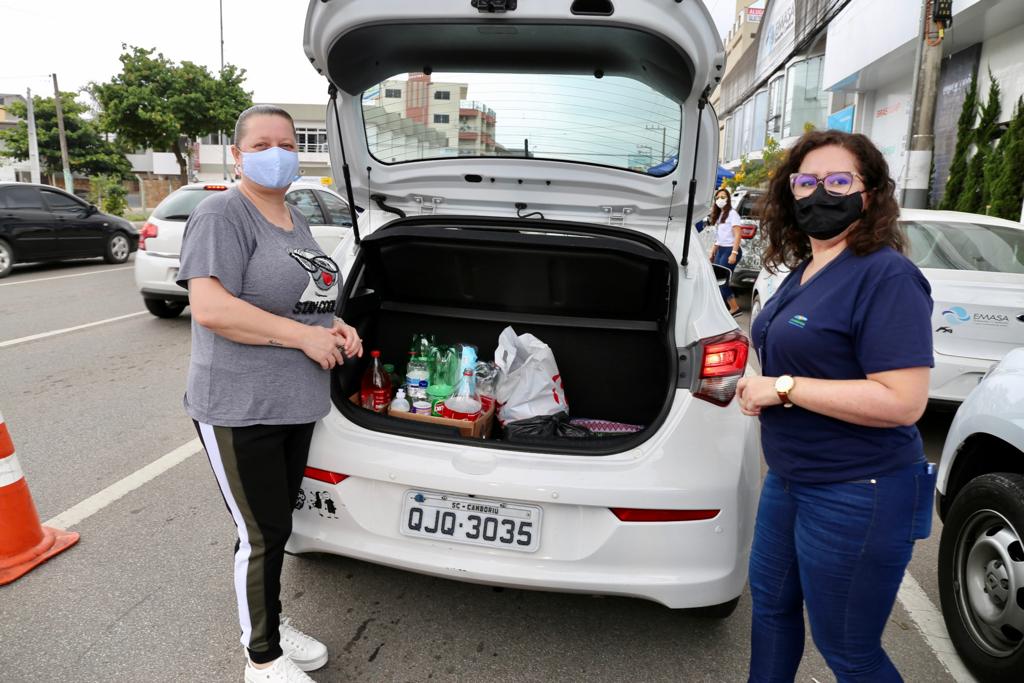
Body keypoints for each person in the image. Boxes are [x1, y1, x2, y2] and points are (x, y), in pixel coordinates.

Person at [737, 130, 936, 683]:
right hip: (790, 481)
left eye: (838, 181)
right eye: (806, 181)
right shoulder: (804, 271)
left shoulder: (886, 275)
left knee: (848, 648)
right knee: (772, 611)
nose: (819, 192)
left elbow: (903, 402)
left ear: (868, 195)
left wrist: (782, 388)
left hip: (858, 490)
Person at [177, 104, 363, 683]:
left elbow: (302, 300)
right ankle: (262, 656)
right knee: (261, 534)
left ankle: (271, 624)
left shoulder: (294, 219)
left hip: (294, 404)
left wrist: (335, 326)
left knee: (279, 523)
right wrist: (303, 338)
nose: (276, 152)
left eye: (286, 142)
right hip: (239, 405)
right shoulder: (221, 214)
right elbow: (212, 309)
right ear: (238, 154)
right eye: (261, 144)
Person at [708, 187, 743, 316]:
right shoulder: (720, 215)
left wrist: (734, 253)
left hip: (730, 250)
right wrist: (713, 252)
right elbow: (719, 238)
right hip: (721, 250)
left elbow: (738, 234)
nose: (720, 200)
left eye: (723, 197)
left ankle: (735, 309)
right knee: (716, 279)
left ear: (728, 199)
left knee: (722, 280)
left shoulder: (733, 214)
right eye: (717, 197)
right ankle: (722, 308)